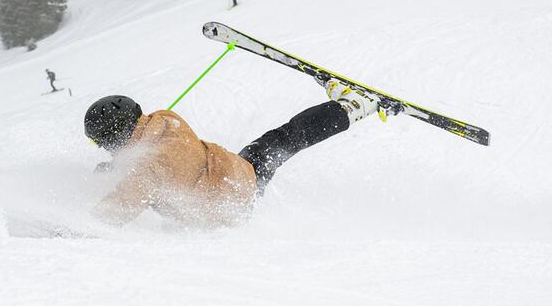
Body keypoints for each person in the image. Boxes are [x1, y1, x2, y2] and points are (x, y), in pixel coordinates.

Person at [83, 78, 382, 227]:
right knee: (281, 139)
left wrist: (73, 224)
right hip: (231, 174)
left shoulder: (148, 168)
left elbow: (121, 206)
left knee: (285, 140)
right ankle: (344, 107)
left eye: (101, 143)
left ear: (115, 138)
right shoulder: (164, 120)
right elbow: (154, 166)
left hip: (235, 197)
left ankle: (355, 106)